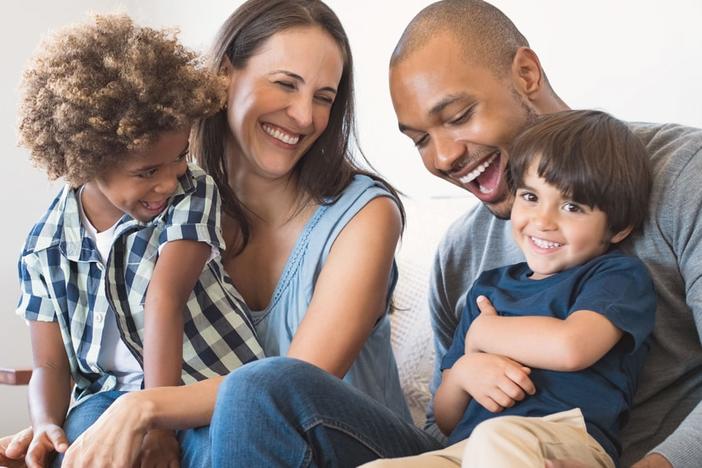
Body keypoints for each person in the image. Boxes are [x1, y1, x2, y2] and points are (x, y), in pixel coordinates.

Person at [157, 1, 701, 467]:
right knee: (261, 390)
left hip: (604, 451)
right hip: (470, 451)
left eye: (459, 115)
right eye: (419, 139)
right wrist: (467, 368)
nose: (443, 157)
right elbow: (448, 424)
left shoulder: (681, 173)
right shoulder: (463, 254)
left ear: (527, 75)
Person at [0, 1, 419, 467]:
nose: (304, 116)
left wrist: (143, 409)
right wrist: (61, 428)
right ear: (223, 75)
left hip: (346, 448)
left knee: (251, 396)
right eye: (285, 84)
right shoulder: (159, 203)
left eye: (324, 97)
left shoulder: (365, 214)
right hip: (234, 440)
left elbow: (292, 386)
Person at [7, 14, 263, 468]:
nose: (168, 181)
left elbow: (164, 296)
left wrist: (157, 424)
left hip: (201, 386)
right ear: (86, 162)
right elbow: (50, 364)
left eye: (178, 157)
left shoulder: (193, 192)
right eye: (147, 172)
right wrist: (47, 422)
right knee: (82, 448)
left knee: (216, 452)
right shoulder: (44, 248)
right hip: (105, 395)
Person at [366, 109, 656, 467]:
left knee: (498, 438)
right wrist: (464, 373)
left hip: (564, 440)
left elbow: (572, 347)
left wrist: (485, 333)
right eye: (530, 197)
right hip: (469, 448)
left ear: (619, 228)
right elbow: (445, 417)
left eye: (571, 206)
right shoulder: (487, 290)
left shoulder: (615, 275)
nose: (543, 221)